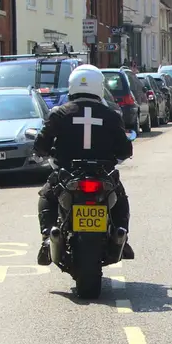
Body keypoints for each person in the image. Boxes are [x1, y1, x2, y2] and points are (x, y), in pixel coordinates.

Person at [33, 65, 136, 267]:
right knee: (120, 198)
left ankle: (47, 239)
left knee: (47, 196)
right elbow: (125, 150)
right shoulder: (111, 114)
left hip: (67, 174)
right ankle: (121, 236)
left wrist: (41, 152)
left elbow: (42, 144)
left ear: (71, 85)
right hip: (102, 174)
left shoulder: (59, 113)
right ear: (99, 86)